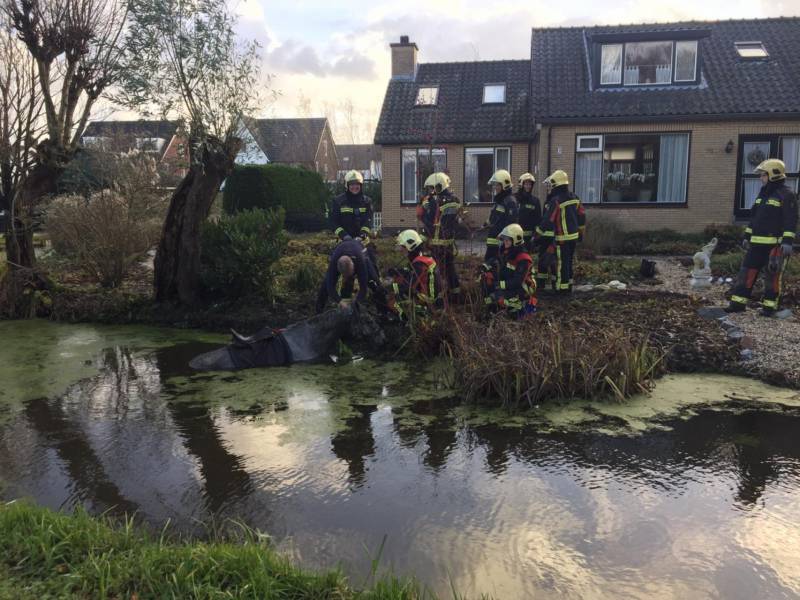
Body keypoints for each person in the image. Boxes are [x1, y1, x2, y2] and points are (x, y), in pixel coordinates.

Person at [725, 159, 798, 316]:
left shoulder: (787, 195)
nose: (761, 178)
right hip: (755, 246)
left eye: (763, 175)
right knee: (746, 274)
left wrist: (787, 242)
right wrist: (747, 235)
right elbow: (754, 218)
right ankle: (737, 304)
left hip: (775, 247)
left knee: (772, 278)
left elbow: (790, 220)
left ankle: (769, 308)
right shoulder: (763, 194)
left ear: (773, 175)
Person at [534, 169, 585, 293]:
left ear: (556, 184)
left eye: (552, 184)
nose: (550, 187)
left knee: (561, 264)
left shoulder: (556, 201)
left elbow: (548, 220)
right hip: (573, 237)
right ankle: (568, 286)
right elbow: (582, 216)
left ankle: (561, 289)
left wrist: (536, 236)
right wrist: (580, 234)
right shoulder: (575, 197)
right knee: (569, 262)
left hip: (562, 238)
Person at [420, 172, 462, 297]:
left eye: (433, 188)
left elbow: (430, 222)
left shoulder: (435, 202)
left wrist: (424, 212)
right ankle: (456, 294)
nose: (431, 191)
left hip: (437, 243)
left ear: (439, 186)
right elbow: (456, 220)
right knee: (450, 269)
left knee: (436, 271)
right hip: (449, 243)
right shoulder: (455, 200)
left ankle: (438, 296)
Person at [481, 223, 537, 317]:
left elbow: (518, 281)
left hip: (523, 288)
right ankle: (492, 308)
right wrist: (485, 267)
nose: (505, 242)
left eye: (508, 240)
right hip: (509, 282)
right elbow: (495, 260)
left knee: (499, 298)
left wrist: (499, 285)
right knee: (487, 285)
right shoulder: (508, 252)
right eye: (504, 239)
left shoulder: (523, 258)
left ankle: (520, 305)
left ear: (516, 240)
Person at [387, 229, 443, 318]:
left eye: (403, 247)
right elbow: (411, 272)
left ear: (410, 246)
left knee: (392, 300)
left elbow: (409, 286)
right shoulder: (422, 257)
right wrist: (398, 271)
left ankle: (405, 320)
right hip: (430, 298)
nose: (401, 250)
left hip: (427, 302)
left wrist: (389, 287)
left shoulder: (419, 264)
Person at [331, 170, 378, 270]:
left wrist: (363, 234)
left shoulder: (367, 201)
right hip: (344, 242)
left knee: (372, 268)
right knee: (335, 269)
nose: (354, 187)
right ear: (347, 186)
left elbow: (368, 220)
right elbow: (333, 222)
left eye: (357, 184)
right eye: (352, 184)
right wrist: (344, 235)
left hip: (362, 242)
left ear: (361, 185)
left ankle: (375, 284)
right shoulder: (338, 201)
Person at [315, 238, 375, 314]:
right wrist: (339, 301)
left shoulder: (361, 261)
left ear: (353, 267)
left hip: (359, 250)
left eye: (349, 274)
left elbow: (363, 288)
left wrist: (356, 303)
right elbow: (330, 286)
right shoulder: (334, 263)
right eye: (345, 275)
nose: (346, 277)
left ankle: (382, 311)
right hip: (341, 248)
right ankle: (318, 311)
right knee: (325, 284)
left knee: (373, 281)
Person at [483, 169, 518, 264]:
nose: (495, 187)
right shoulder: (499, 200)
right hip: (493, 241)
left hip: (500, 243)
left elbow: (511, 224)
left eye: (497, 185)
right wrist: (485, 224)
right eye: (494, 185)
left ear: (505, 185)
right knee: (488, 266)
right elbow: (494, 218)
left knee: (496, 267)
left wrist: (503, 240)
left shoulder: (510, 201)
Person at [515, 172, 541, 251]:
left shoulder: (535, 201)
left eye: (530, 184)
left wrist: (535, 236)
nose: (528, 186)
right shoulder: (514, 198)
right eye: (526, 184)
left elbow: (538, 219)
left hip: (528, 239)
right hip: (515, 235)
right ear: (521, 185)